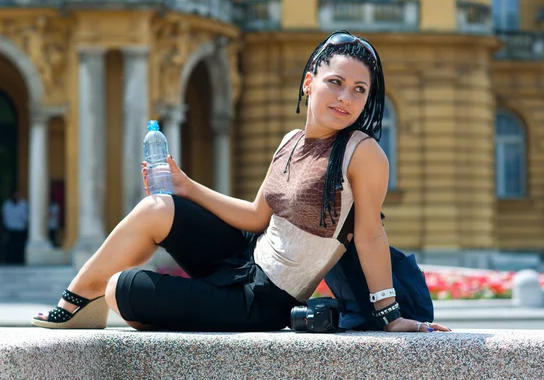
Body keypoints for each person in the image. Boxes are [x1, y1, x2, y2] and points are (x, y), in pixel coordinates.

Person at [32, 30, 450, 333]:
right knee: (157, 208)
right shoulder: (290, 141)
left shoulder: (363, 153)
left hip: (263, 301)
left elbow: (370, 236)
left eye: (359, 90)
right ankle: (76, 302)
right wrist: (184, 185)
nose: (346, 98)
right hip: (243, 257)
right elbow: (254, 217)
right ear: (310, 83)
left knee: (122, 290)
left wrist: (389, 315)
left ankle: (116, 300)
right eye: (335, 83)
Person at [2, 190, 29, 265]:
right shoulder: (7, 204)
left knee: (20, 247)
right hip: (10, 229)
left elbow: (26, 216)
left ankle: (20, 260)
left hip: (21, 229)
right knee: (10, 247)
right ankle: (10, 260)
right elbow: (5, 216)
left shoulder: (23, 204)